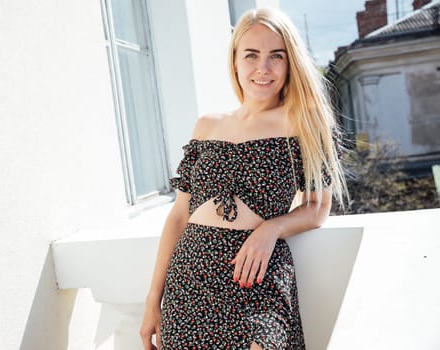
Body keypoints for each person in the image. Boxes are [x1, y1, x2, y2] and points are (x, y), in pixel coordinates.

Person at [140, 7, 347, 350]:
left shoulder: (305, 122)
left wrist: (272, 228)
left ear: (289, 62)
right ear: (235, 61)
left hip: (256, 278)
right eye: (251, 55)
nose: (263, 68)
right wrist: (152, 300)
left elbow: (317, 208)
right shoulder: (208, 125)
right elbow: (179, 216)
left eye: (275, 56)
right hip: (189, 281)